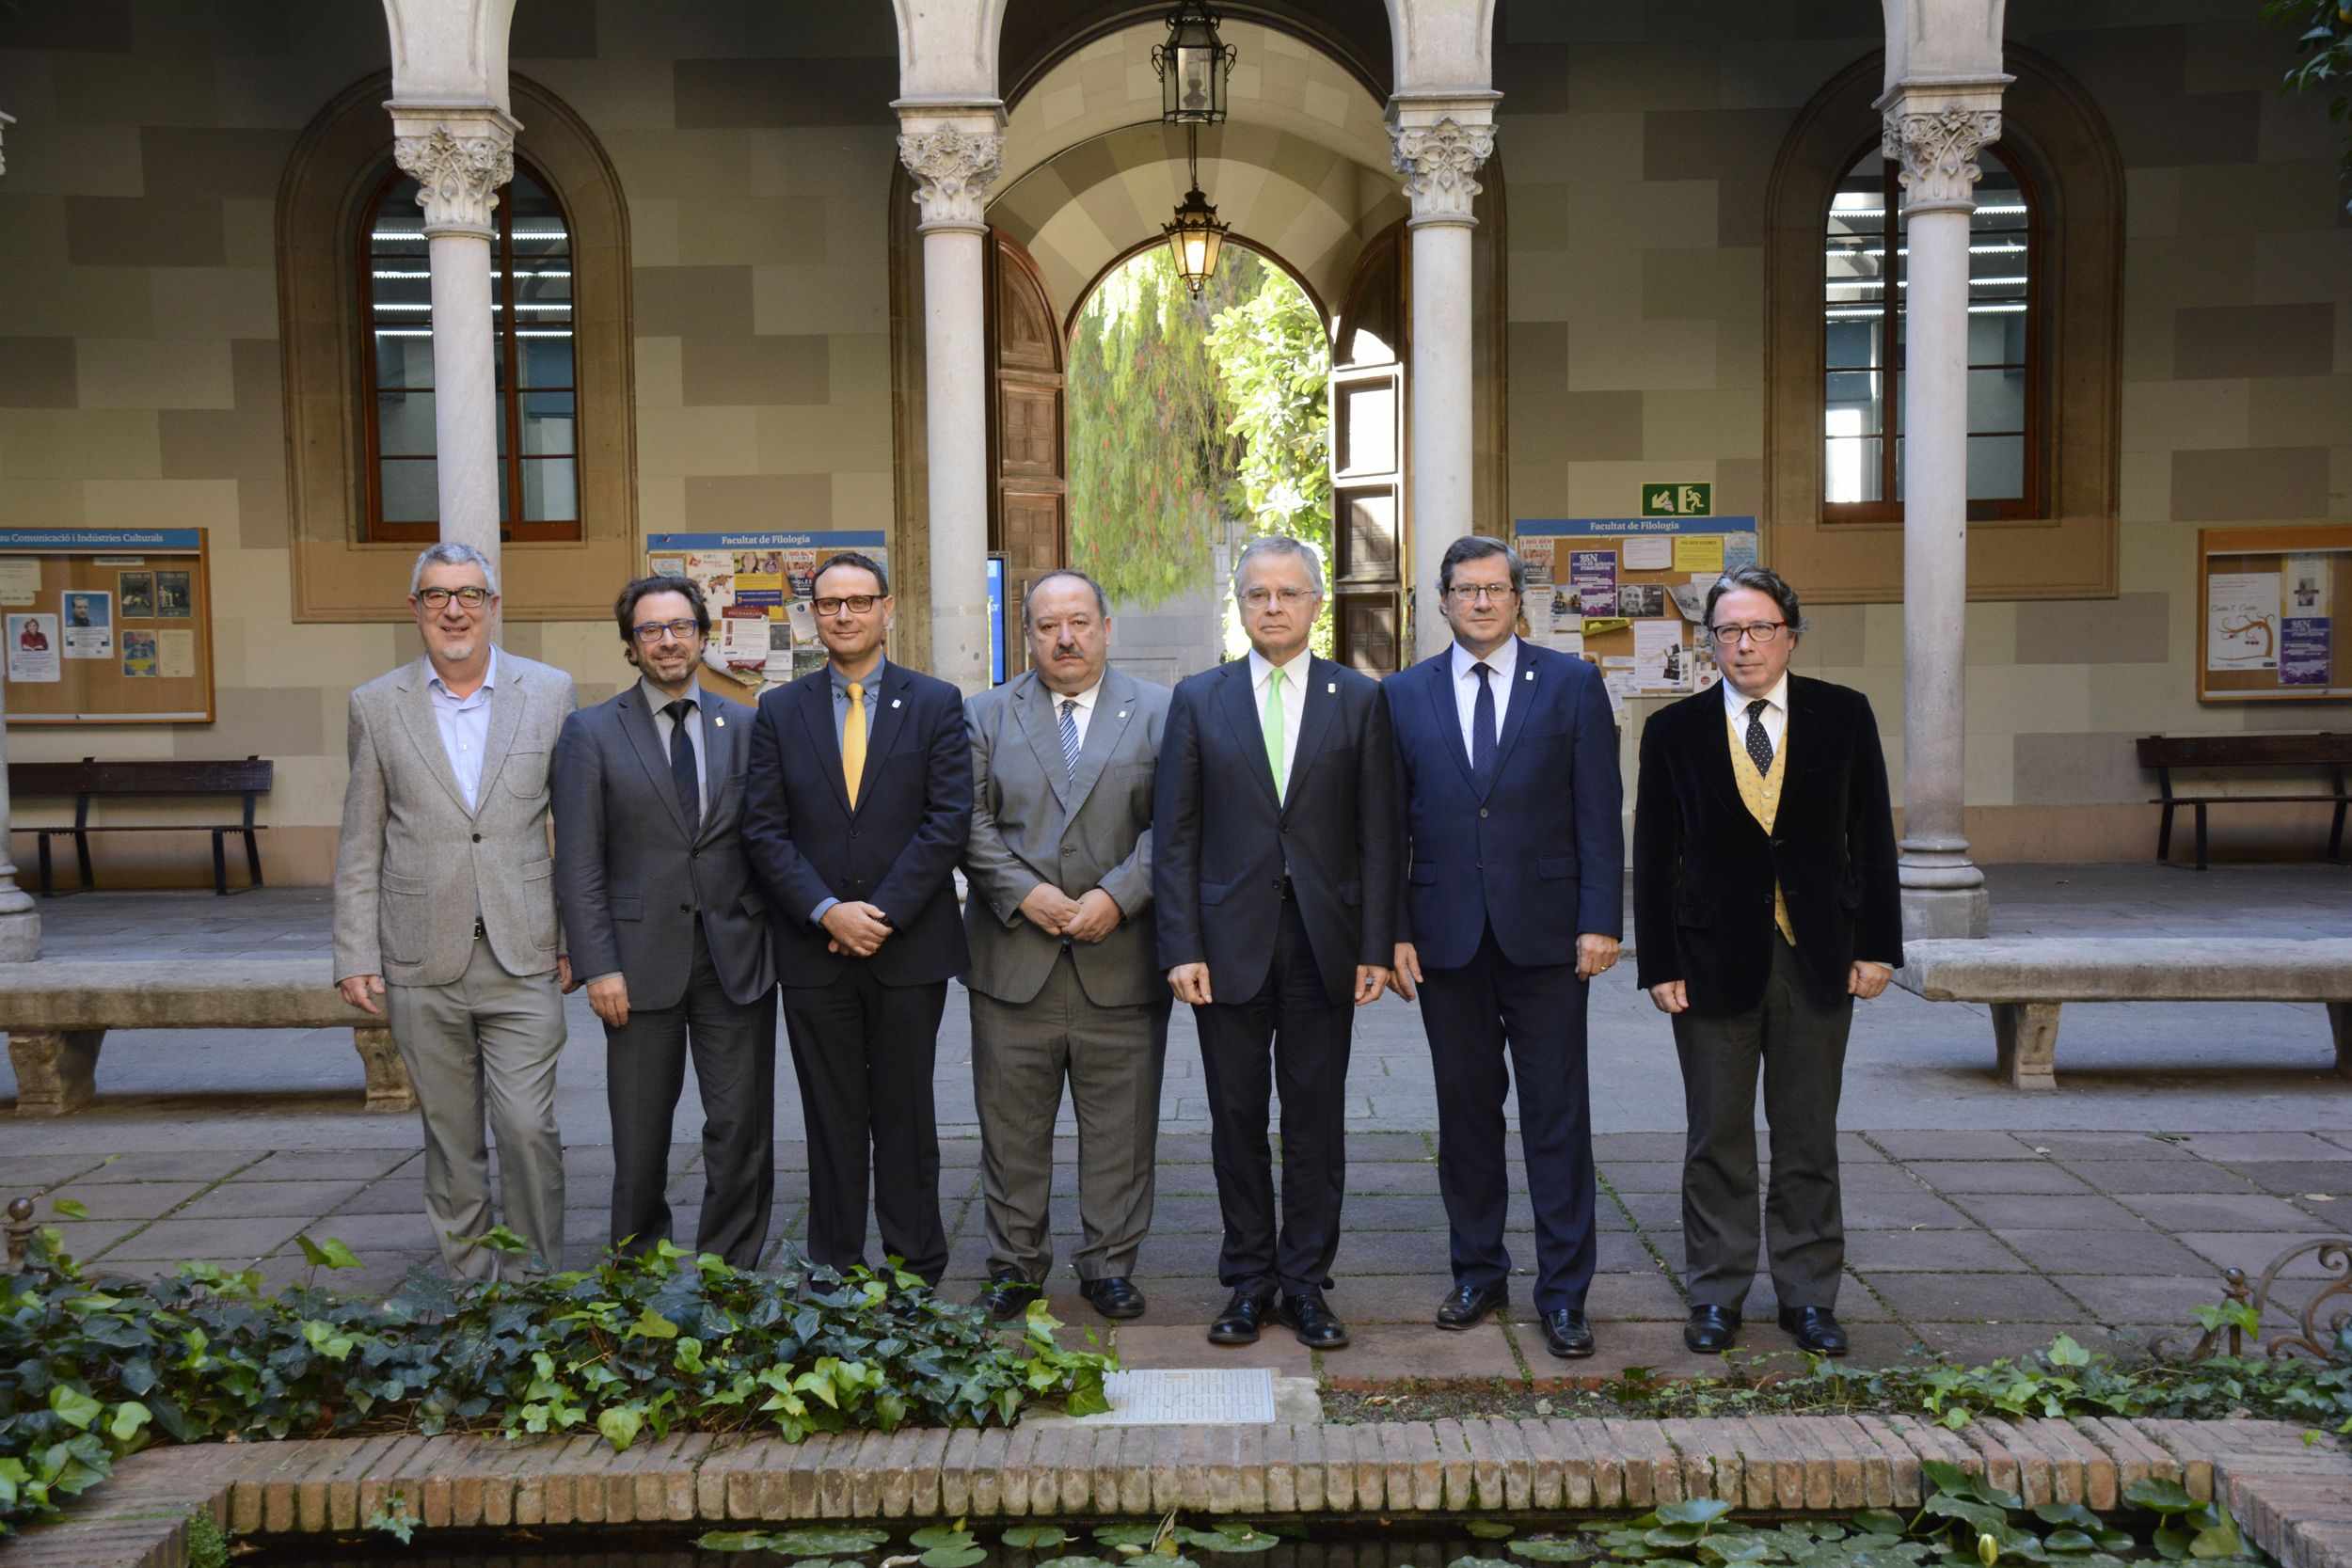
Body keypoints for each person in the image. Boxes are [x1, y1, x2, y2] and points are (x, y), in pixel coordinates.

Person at [1632, 564, 1902, 1357]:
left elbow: (1872, 834)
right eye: (1727, 631)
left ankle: (1808, 1294)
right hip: (1712, 962)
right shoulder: (1674, 731)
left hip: (1817, 956)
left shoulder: (1843, 717)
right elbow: (1655, 853)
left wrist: (1878, 944)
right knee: (1715, 1134)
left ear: (1790, 633)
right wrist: (1659, 963)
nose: (1744, 644)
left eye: (1759, 629)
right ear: (1708, 641)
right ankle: (1716, 1292)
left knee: (1808, 1132)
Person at [1153, 536, 1397, 1351]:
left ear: (1316, 604)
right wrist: (1180, 943)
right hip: (1226, 944)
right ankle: (1248, 1281)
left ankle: (1306, 1283)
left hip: (1325, 943)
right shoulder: (1199, 697)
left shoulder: (1359, 699)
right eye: (1257, 594)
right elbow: (1176, 833)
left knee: (1316, 1119)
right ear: (1240, 602)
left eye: (1289, 594)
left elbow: (1378, 834)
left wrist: (1375, 944)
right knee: (1234, 1115)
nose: (1273, 607)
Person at [1384, 535, 1622, 1360]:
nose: (1481, 602)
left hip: (1551, 940)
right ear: (1442, 601)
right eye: (1465, 590)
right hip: (1447, 940)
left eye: (1495, 588)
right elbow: (1388, 827)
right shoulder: (1404, 695)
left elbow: (1599, 811)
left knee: (1558, 1117)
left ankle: (1564, 1293)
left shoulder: (1571, 685)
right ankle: (1478, 1271)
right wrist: (1395, 930)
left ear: (1519, 598)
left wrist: (1602, 919)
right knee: (1467, 1117)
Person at [331, 542, 576, 1280]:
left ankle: (537, 1287)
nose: (454, 610)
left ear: (494, 606)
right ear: (415, 610)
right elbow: (360, 837)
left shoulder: (551, 691)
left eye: (470, 594)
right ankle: (473, 1287)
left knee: (529, 1126)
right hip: (419, 951)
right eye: (436, 595)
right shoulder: (376, 705)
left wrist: (577, 938)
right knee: (450, 1133)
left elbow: (576, 828)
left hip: (524, 947)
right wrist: (355, 952)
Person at [741, 550, 970, 1286]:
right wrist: (827, 912)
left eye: (860, 601)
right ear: (814, 614)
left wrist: (884, 913)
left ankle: (915, 1265)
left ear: (887, 608)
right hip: (815, 952)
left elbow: (948, 820)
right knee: (830, 1115)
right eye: (830, 603)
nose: (845, 614)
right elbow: (764, 829)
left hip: (910, 950)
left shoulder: (936, 702)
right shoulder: (778, 710)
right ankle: (834, 1263)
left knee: (905, 1114)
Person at [961, 569, 1171, 1323]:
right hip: (1014, 959)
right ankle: (1015, 1264)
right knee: (1011, 1130)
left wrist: (1119, 895)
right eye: (1048, 625)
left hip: (1121, 956)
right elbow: (967, 823)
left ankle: (1109, 1263)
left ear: (1106, 628)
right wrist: (1026, 894)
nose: (1065, 637)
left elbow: (1173, 823)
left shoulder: (1158, 713)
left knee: (1121, 1126)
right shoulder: (984, 715)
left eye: (1079, 621)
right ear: (1028, 634)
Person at [552, 575, 778, 1270]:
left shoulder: (745, 725)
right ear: (631, 645)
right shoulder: (590, 732)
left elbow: (768, 840)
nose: (668, 640)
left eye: (680, 625)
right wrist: (597, 963)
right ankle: (639, 1261)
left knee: (740, 1126)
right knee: (640, 1131)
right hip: (636, 963)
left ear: (703, 636)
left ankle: (729, 1268)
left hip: (734, 958)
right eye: (650, 629)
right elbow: (579, 860)